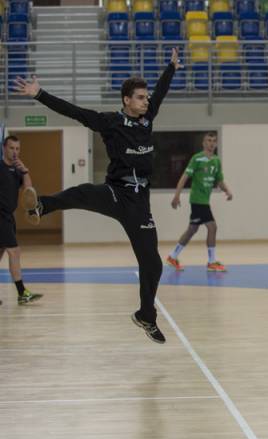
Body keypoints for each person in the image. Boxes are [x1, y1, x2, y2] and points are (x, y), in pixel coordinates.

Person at [14, 49, 181, 344]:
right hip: (117, 192)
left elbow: (162, 92)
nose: (146, 101)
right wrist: (39, 94)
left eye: (146, 97)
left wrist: (171, 68)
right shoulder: (110, 122)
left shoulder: (148, 117)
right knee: (83, 193)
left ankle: (146, 315)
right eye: (140, 97)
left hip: (140, 203)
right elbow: (75, 112)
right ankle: (40, 206)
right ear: (127, 100)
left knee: (153, 264)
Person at [166, 131, 233, 272]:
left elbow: (219, 180)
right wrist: (176, 196)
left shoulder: (216, 161)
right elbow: (184, 177)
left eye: (214, 141)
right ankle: (211, 262)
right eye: (208, 140)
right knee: (212, 227)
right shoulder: (197, 158)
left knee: (192, 229)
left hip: (204, 201)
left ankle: (172, 256)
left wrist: (227, 191)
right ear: (203, 143)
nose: (211, 143)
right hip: (198, 200)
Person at [0, 136, 43, 306]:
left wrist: (25, 171)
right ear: (4, 148)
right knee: (14, 251)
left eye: (17, 149)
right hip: (0, 216)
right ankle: (22, 292)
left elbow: (28, 190)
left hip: (9, 216)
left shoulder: (17, 170)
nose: (15, 152)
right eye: (12, 148)